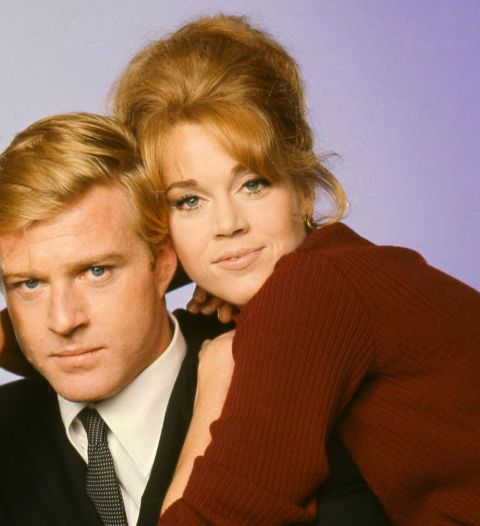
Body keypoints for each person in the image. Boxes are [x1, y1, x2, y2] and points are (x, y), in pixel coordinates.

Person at [0, 112, 387, 526]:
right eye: (29, 284)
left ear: (162, 263)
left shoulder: (282, 384)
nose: (62, 320)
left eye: (96, 271)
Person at [111, 14, 480, 526]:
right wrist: (173, 271)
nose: (228, 224)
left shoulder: (313, 289)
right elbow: (73, 343)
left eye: (254, 184)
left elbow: (223, 515)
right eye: (189, 201)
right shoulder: (341, 271)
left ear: (304, 191)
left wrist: (217, 377)